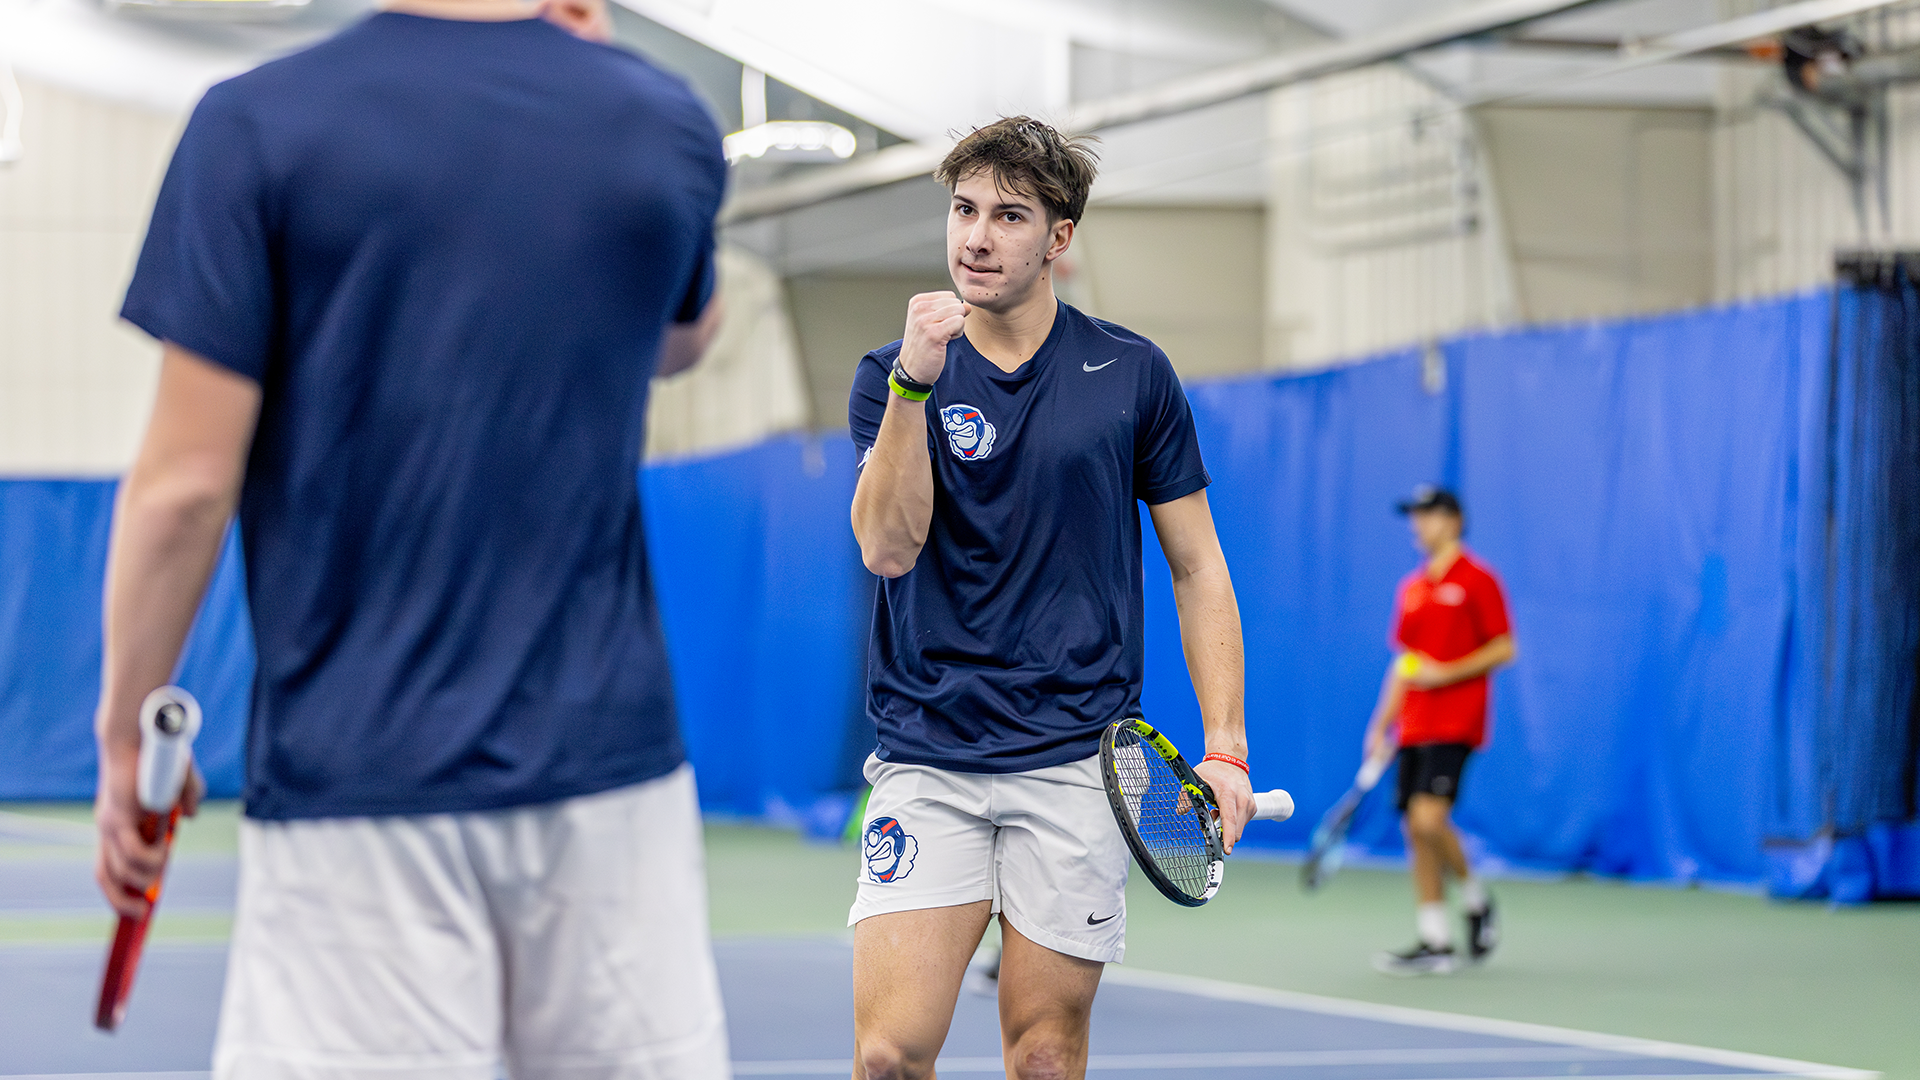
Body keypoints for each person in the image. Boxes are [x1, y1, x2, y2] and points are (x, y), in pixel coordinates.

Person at [91, 0, 730, 1075]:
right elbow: (680, 335)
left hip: (361, 788)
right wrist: (612, 98)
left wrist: (123, 738)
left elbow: (184, 489)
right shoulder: (665, 119)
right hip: (614, 791)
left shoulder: (255, 122)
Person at [845, 116, 1256, 1080]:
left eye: (1009, 215)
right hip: (927, 755)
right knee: (888, 1056)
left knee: (1042, 1053)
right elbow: (887, 547)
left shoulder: (1133, 373)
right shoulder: (890, 374)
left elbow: (1199, 568)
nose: (976, 237)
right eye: (963, 210)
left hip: (1077, 763)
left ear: (1059, 239)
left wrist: (1226, 748)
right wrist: (915, 383)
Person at [1363, 485, 1516, 976]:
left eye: (1426, 515)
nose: (1417, 524)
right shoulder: (1411, 588)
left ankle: (1474, 898)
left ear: (1452, 520)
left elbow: (1503, 648)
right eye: (1413, 515)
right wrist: (1381, 723)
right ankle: (1436, 940)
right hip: (1413, 727)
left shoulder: (1478, 579)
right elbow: (1404, 665)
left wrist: (1445, 673)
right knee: (1415, 828)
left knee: (1429, 820)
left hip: (1456, 723)